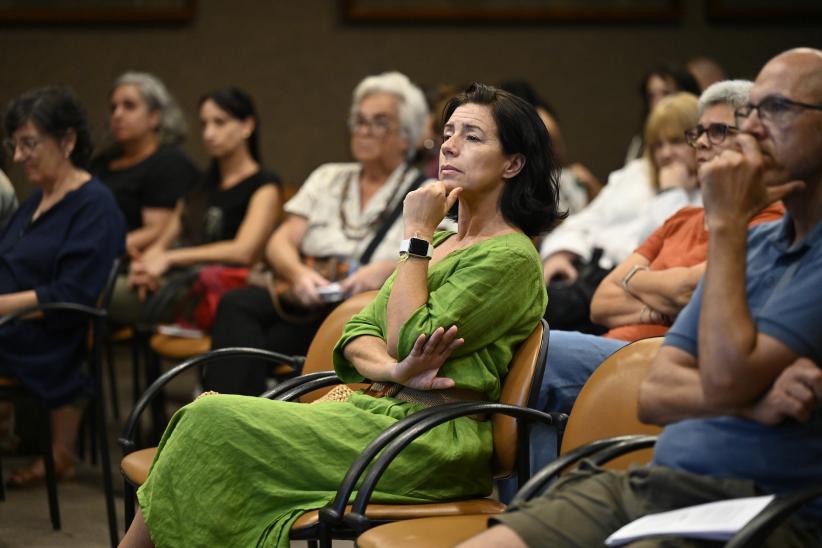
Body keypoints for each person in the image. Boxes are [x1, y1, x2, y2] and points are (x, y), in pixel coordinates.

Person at [117, 82, 560, 547]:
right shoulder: (446, 243)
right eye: (449, 131)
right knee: (204, 417)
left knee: (212, 421)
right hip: (379, 411)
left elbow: (408, 336)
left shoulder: (509, 257)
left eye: (472, 136)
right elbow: (357, 332)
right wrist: (396, 369)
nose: (449, 144)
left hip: (429, 441)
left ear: (513, 163)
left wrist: (415, 238)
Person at [462, 47, 822, 548]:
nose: (753, 129)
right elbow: (655, 392)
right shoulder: (745, 238)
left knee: (548, 348)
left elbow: (715, 371)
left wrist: (723, 225)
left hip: (767, 503)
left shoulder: (744, 231)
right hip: (661, 484)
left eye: (777, 108)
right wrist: (755, 398)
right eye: (753, 111)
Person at [539, 80, 781, 420]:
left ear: (756, 140)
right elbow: (601, 303)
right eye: (699, 133)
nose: (703, 144)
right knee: (533, 370)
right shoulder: (681, 217)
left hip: (668, 360)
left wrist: (634, 280)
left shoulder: (770, 220)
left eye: (720, 131)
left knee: (540, 353)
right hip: (614, 344)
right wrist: (656, 304)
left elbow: (688, 291)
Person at [204, 71, 430, 395]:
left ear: (406, 136)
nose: (364, 130)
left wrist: (381, 273)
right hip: (308, 303)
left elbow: (437, 258)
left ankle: (237, 414)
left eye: (379, 122)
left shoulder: (424, 194)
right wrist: (297, 275)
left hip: (366, 314)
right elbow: (280, 241)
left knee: (254, 352)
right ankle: (225, 417)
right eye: (359, 120)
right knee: (237, 305)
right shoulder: (329, 176)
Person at [0, 86, 125, 487]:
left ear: (67, 141)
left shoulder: (94, 205)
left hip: (48, 336)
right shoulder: (36, 200)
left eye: (29, 144)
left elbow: (71, 295)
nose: (18, 157)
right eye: (15, 146)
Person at [541, 92, 702, 334]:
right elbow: (586, 220)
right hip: (585, 270)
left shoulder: (706, 195)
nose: (665, 154)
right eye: (658, 145)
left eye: (676, 142)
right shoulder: (636, 174)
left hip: (626, 287)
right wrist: (559, 255)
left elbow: (661, 250)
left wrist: (672, 192)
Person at [125, 88, 281, 315]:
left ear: (247, 125)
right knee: (114, 290)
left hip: (225, 293)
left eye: (220, 122)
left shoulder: (264, 184)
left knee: (103, 297)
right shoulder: (199, 186)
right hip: (178, 283)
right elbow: (163, 242)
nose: (209, 133)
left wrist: (170, 259)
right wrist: (142, 268)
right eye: (204, 124)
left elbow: (243, 251)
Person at [91, 71, 199, 255]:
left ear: (154, 117)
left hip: (130, 264)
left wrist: (95, 249)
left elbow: (157, 231)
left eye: (129, 106)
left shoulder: (169, 162)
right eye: (113, 108)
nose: (117, 115)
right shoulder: (102, 161)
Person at [499, 80, 601, 214]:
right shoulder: (511, 190)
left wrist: (597, 194)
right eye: (548, 144)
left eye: (557, 142)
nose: (557, 151)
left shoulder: (570, 181)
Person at [624, 64, 701, 165]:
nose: (657, 102)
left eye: (666, 93)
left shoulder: (702, 133)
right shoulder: (639, 141)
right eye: (651, 96)